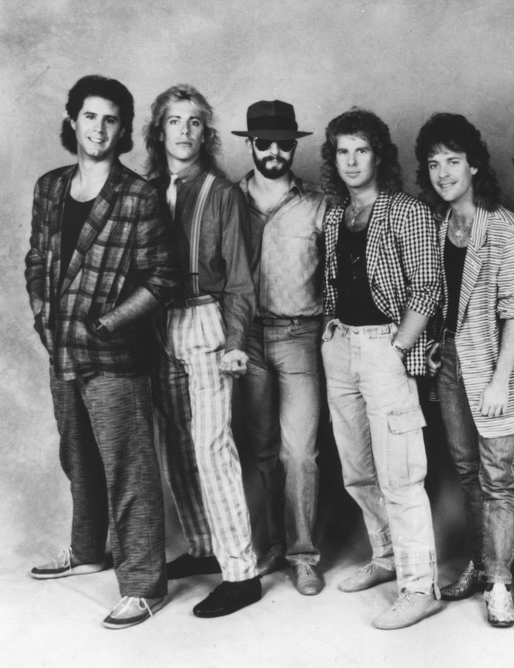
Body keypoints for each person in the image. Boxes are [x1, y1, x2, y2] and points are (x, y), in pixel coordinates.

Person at [26, 74, 180, 629]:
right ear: (73, 121)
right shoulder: (50, 187)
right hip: (62, 351)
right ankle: (89, 549)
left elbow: (162, 279)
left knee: (128, 468)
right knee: (78, 459)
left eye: (111, 119)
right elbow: (37, 259)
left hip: (115, 357)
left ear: (122, 130)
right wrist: (44, 318)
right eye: (90, 116)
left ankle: (144, 585)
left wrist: (108, 324)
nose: (99, 128)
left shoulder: (138, 195)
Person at [321, 108, 443, 629]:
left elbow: (428, 287)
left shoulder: (406, 211)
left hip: (384, 349)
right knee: (357, 469)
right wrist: (332, 328)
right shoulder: (336, 215)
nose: (351, 161)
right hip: (340, 346)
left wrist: (398, 346)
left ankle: (419, 587)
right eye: (342, 152)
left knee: (401, 475)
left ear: (379, 156)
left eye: (361, 150)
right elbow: (334, 281)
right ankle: (387, 555)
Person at [415, 113, 514, 627]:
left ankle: (501, 583)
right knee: (468, 473)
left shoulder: (507, 228)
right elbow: (437, 296)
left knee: (499, 478)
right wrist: (434, 345)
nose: (443, 172)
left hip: (494, 367)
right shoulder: (437, 225)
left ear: (474, 165)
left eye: (453, 160)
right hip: (451, 365)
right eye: (434, 163)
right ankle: (479, 564)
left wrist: (499, 379)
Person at [144, 84, 262, 616]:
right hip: (157, 323)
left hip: (204, 318)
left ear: (205, 133)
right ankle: (202, 546)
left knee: (212, 446)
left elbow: (239, 279)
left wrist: (236, 342)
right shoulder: (147, 190)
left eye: (194, 122)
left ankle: (241, 572)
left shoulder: (221, 192)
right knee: (174, 444)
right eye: (175, 121)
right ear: (159, 131)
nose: (184, 131)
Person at [234, 100, 327, 595]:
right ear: (250, 144)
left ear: (295, 146)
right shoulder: (228, 201)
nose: (274, 152)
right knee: (262, 450)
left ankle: (303, 556)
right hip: (246, 339)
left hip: (299, 337)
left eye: (284, 144)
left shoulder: (317, 204)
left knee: (301, 453)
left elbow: (336, 272)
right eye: (264, 143)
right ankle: (272, 544)